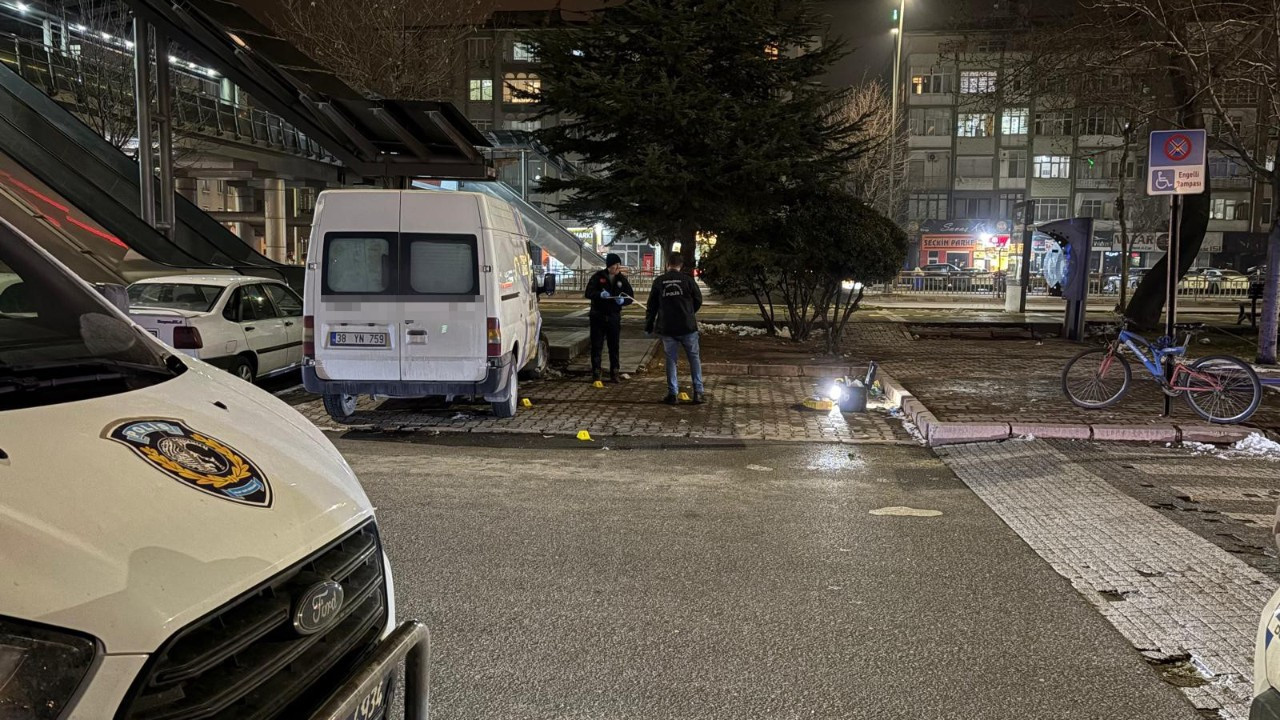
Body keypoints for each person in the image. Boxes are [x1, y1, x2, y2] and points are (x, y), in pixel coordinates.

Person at [645, 252, 704, 405]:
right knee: (694, 358)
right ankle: (698, 393)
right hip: (687, 326)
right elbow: (698, 299)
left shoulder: (659, 281)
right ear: (681, 265)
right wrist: (689, 312)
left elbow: (651, 306)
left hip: (668, 327)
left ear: (667, 264)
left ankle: (673, 394)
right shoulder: (688, 280)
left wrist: (649, 324)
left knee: (671, 360)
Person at [584, 253, 634, 383]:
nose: (618, 267)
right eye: (615, 265)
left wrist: (622, 301)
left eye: (619, 264)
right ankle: (596, 372)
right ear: (609, 265)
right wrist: (600, 294)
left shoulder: (621, 279)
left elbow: (630, 296)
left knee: (614, 345)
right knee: (597, 345)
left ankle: (615, 372)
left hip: (613, 317)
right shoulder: (598, 277)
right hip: (598, 316)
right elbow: (588, 293)